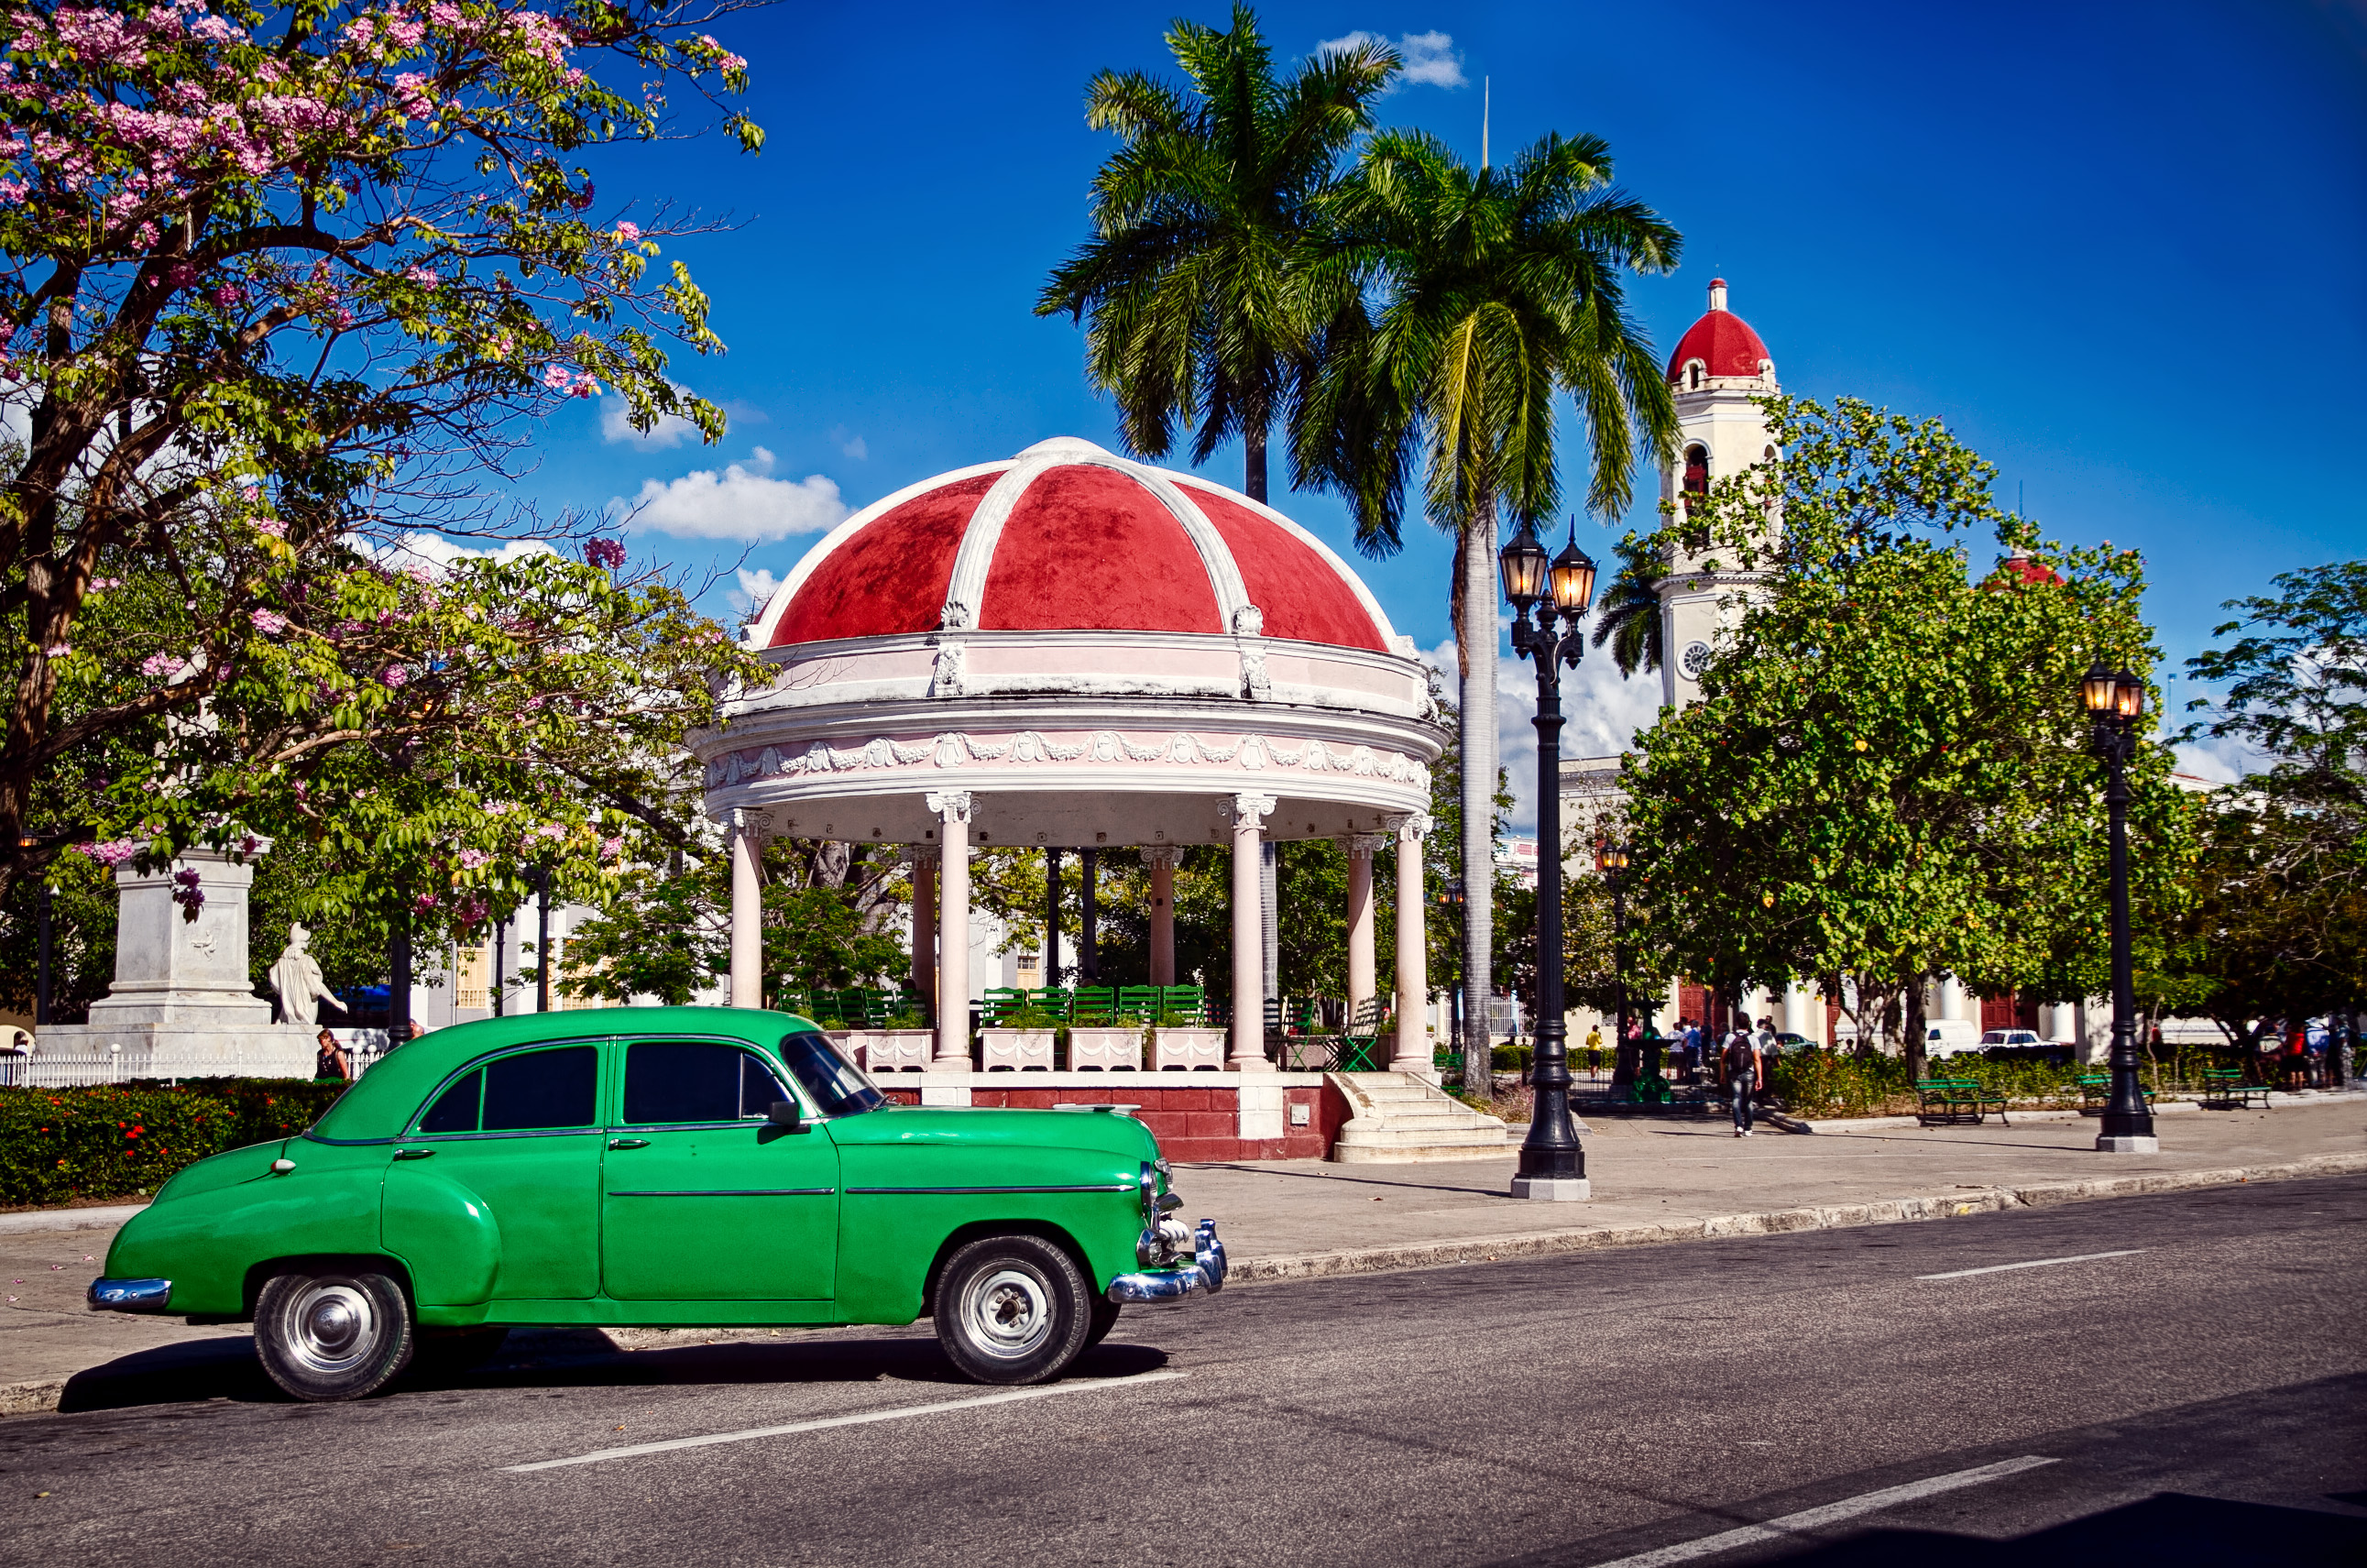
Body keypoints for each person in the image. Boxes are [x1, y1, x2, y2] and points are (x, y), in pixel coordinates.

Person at [1723, 1023, 1759, 1136]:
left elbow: (1723, 1058)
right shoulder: (1753, 1038)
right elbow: (1757, 1059)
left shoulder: (1730, 1037)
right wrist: (1760, 1077)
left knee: (1736, 1098)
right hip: (1749, 1071)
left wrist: (1722, 1074)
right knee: (1749, 1100)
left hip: (1734, 1072)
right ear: (1748, 1024)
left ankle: (1738, 1125)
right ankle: (1748, 1128)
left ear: (1737, 1023)